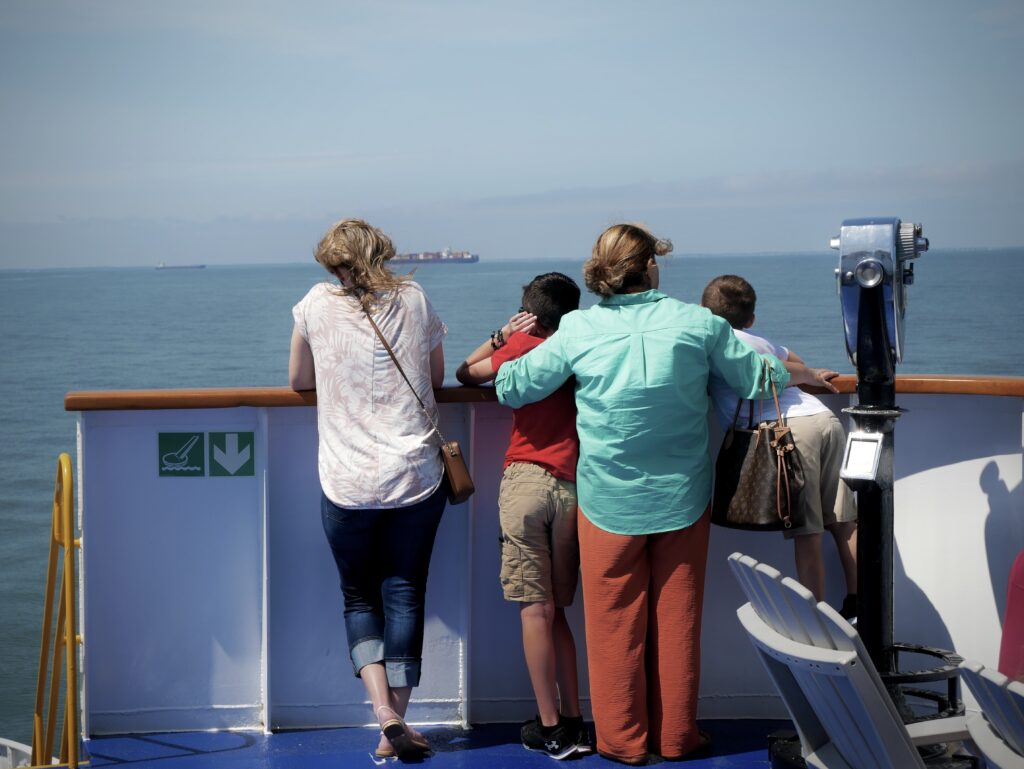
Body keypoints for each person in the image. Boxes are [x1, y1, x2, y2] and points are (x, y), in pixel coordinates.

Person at [494, 224, 830, 765]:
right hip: (683, 499)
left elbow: (513, 386)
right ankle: (677, 737)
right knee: (677, 623)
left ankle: (622, 742)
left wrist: (507, 342)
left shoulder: (578, 328)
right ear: (650, 266)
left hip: (607, 502)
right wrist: (791, 365)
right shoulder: (697, 323)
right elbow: (756, 377)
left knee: (612, 627)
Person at [288, 218, 447, 761]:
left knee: (359, 596)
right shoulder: (416, 298)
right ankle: (395, 723)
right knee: (404, 592)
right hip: (414, 476)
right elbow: (437, 375)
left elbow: (298, 381)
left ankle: (381, 711)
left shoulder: (313, 304)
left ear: (334, 265)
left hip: (346, 479)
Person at [456, 272, 589, 759]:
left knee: (535, 609)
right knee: (559, 612)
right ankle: (575, 719)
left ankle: (551, 728)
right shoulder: (582, 348)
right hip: (575, 488)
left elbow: (465, 373)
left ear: (528, 309)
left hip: (527, 483)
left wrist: (502, 335)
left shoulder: (521, 347)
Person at [701, 274, 858, 619]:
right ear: (751, 318)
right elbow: (798, 363)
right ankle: (860, 601)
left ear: (704, 312)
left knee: (809, 533)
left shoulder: (712, 343)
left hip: (788, 434)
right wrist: (810, 374)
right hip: (823, 419)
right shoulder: (760, 340)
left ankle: (818, 621)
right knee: (843, 522)